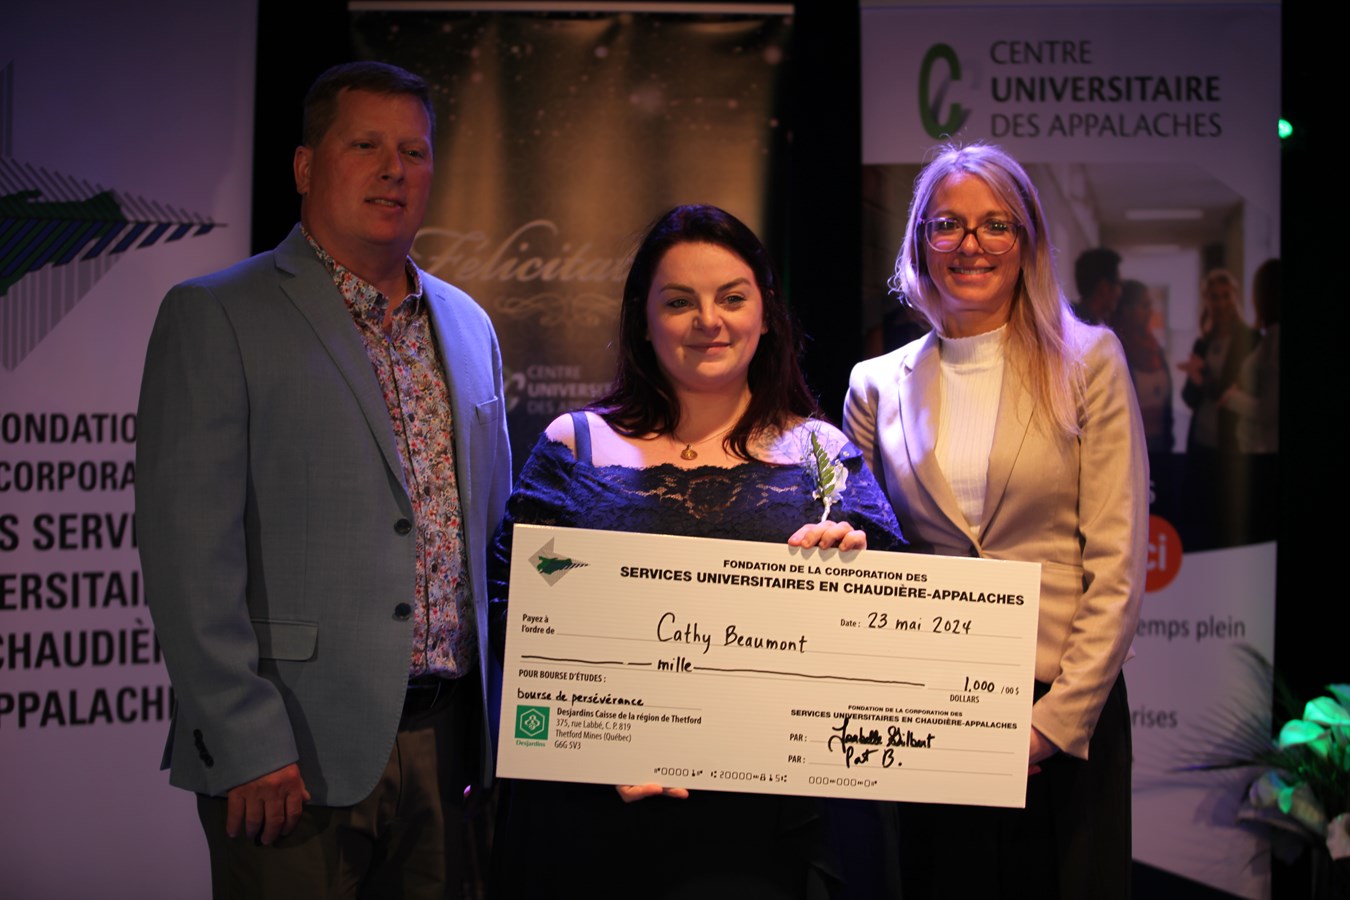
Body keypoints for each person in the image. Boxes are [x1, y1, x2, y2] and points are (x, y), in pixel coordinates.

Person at [135, 61, 510, 898]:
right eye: (365, 146)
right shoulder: (217, 314)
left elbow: (493, 540)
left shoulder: (470, 325)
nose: (393, 170)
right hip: (290, 753)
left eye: (413, 151)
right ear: (306, 167)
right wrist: (246, 739)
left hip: (450, 745)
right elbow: (187, 555)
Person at [489, 205, 907, 899]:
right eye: (679, 301)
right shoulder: (575, 445)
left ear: (766, 315)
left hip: (773, 827)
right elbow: (515, 614)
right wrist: (598, 744)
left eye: (731, 298)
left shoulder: (822, 453)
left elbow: (893, 641)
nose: (708, 321)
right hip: (603, 816)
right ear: (642, 321)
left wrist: (858, 580)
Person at [844, 144, 1147, 900]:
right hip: (934, 710)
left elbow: (1115, 565)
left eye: (996, 225)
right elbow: (865, 561)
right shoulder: (873, 386)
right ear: (920, 242)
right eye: (947, 224)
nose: (971, 244)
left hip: (1064, 709)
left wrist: (1052, 725)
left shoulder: (1090, 361)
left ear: (1028, 241)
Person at [1110, 279, 1174, 453]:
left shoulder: (1154, 348)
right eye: (1144, 306)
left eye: (1150, 305)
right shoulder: (1116, 349)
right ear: (1127, 310)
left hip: (1160, 443)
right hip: (1131, 445)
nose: (1150, 311)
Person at [1071, 246, 1122, 326]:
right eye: (1119, 283)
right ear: (1104, 288)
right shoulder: (1089, 326)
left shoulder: (1069, 317)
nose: (1120, 291)